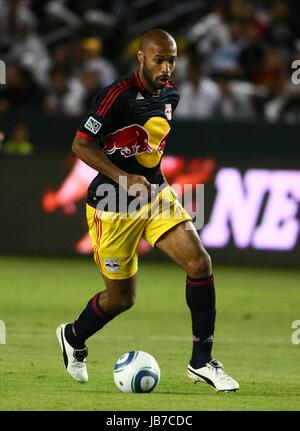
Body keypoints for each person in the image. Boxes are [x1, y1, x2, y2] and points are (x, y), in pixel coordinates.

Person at [56, 28, 239, 392]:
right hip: (112, 206)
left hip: (155, 195)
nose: (167, 67)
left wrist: (144, 180)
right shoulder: (116, 96)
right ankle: (73, 335)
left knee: (199, 262)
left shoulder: (172, 94)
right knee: (122, 299)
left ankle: (201, 361)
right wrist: (124, 179)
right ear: (141, 57)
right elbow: (80, 145)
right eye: (159, 59)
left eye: (172, 60)